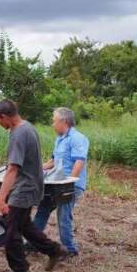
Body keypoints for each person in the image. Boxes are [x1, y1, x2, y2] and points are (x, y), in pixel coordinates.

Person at [0, 99, 68, 272]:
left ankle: (19, 269)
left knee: (10, 230)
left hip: (24, 188)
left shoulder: (18, 133)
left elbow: (12, 168)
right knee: (24, 225)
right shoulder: (27, 127)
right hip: (31, 185)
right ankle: (55, 251)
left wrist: (0, 200)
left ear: (4, 116)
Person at [32, 107, 89, 257]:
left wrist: (68, 183)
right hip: (56, 185)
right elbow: (52, 161)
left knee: (63, 216)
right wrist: (36, 168)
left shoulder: (78, 138)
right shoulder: (59, 139)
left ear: (63, 121)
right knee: (43, 209)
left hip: (71, 186)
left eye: (54, 121)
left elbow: (79, 162)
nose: (52, 124)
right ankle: (33, 244)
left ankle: (70, 250)